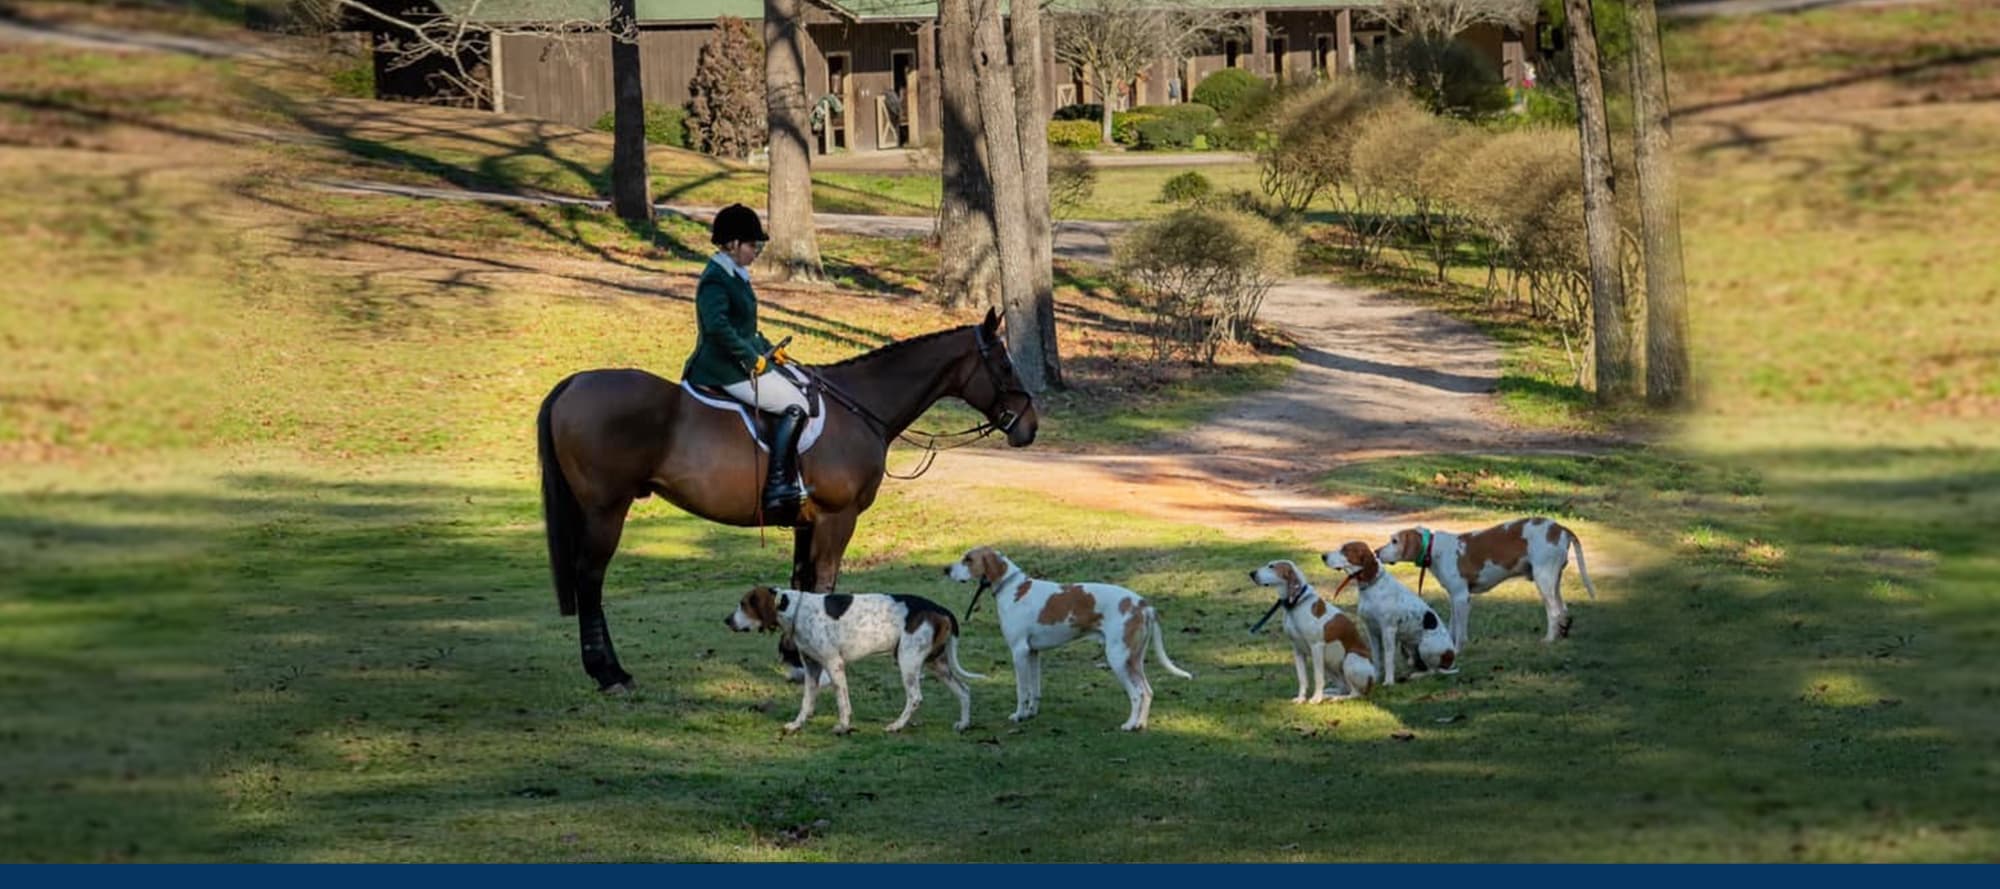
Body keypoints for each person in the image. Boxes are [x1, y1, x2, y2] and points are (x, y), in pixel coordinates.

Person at [683, 204, 810, 522]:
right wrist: (751, 359)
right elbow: (717, 328)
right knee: (796, 405)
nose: (756, 251)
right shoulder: (715, 279)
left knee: (798, 386)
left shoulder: (735, 275)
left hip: (738, 360)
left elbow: (745, 329)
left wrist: (769, 349)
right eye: (752, 245)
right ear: (732, 244)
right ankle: (779, 484)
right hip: (720, 367)